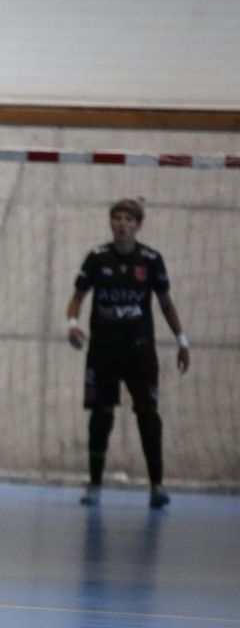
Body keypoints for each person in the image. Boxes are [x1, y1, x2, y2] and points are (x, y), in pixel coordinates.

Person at [66, 198, 188, 510]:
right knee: (101, 416)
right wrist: (72, 324)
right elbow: (77, 297)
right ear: (111, 223)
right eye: (117, 218)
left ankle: (157, 487)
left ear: (138, 225)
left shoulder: (150, 260)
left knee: (148, 414)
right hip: (104, 351)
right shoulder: (97, 258)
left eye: (128, 219)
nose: (122, 224)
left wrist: (182, 341)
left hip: (139, 351)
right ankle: (94, 486)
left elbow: (165, 304)